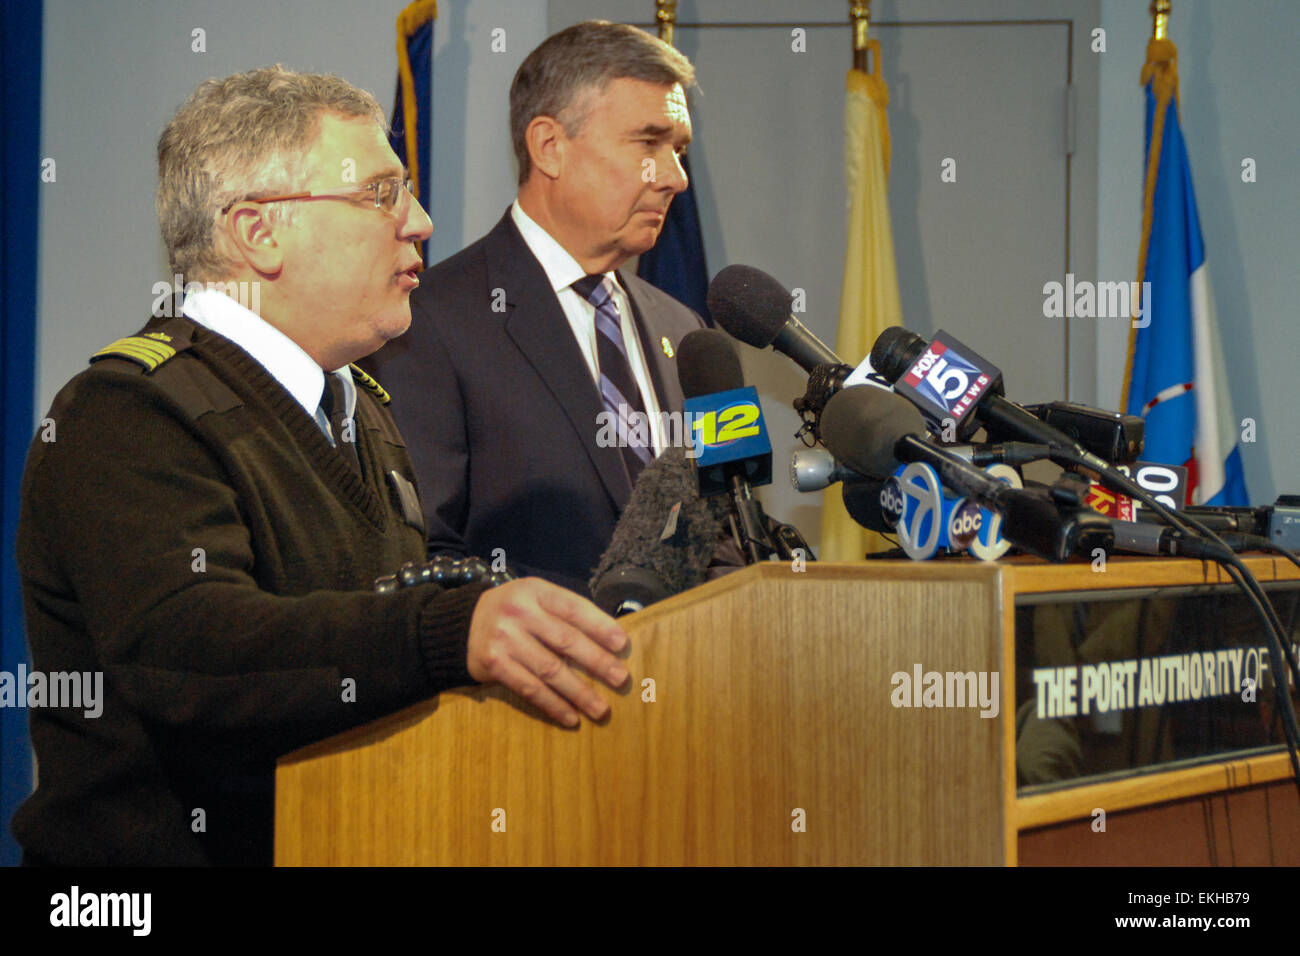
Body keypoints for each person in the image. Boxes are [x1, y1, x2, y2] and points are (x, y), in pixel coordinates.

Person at [13, 66, 629, 867]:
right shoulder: (125, 411)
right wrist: (452, 630)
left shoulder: (361, 406)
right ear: (257, 231)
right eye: (381, 195)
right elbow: (192, 650)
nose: (421, 221)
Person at [364, 21, 706, 594]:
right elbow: (425, 555)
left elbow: (728, 527)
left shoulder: (686, 328)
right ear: (549, 147)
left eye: (679, 150)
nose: (675, 177)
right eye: (649, 143)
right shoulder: (428, 322)